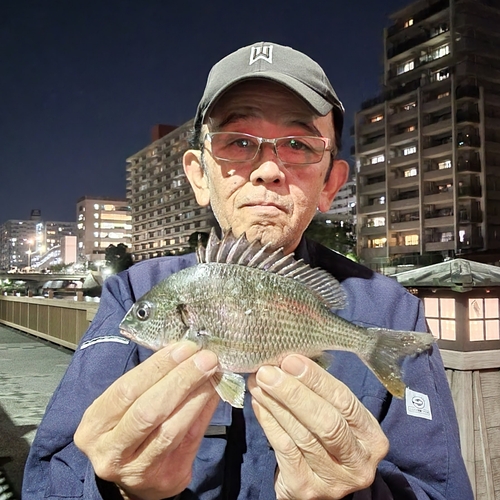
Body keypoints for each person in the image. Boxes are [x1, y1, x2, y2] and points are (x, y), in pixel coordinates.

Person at [23, 42, 473, 500]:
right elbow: (49, 480)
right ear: (199, 175)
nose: (268, 170)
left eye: (298, 145)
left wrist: (358, 494)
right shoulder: (134, 290)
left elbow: (443, 488)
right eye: (238, 143)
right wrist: (116, 489)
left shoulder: (394, 311)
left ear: (331, 185)